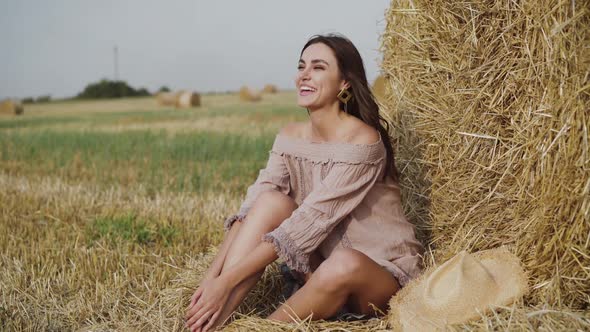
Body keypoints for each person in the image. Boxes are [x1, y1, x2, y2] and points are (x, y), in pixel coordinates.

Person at [184, 33, 424, 332]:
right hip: (319, 272)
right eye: (301, 66)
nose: (305, 75)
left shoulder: (362, 141)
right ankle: (208, 322)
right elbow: (252, 208)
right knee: (270, 201)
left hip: (378, 276)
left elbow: (310, 221)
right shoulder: (290, 136)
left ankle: (260, 329)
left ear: (345, 83)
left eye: (319, 67)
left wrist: (227, 280)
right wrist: (213, 279)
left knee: (344, 263)